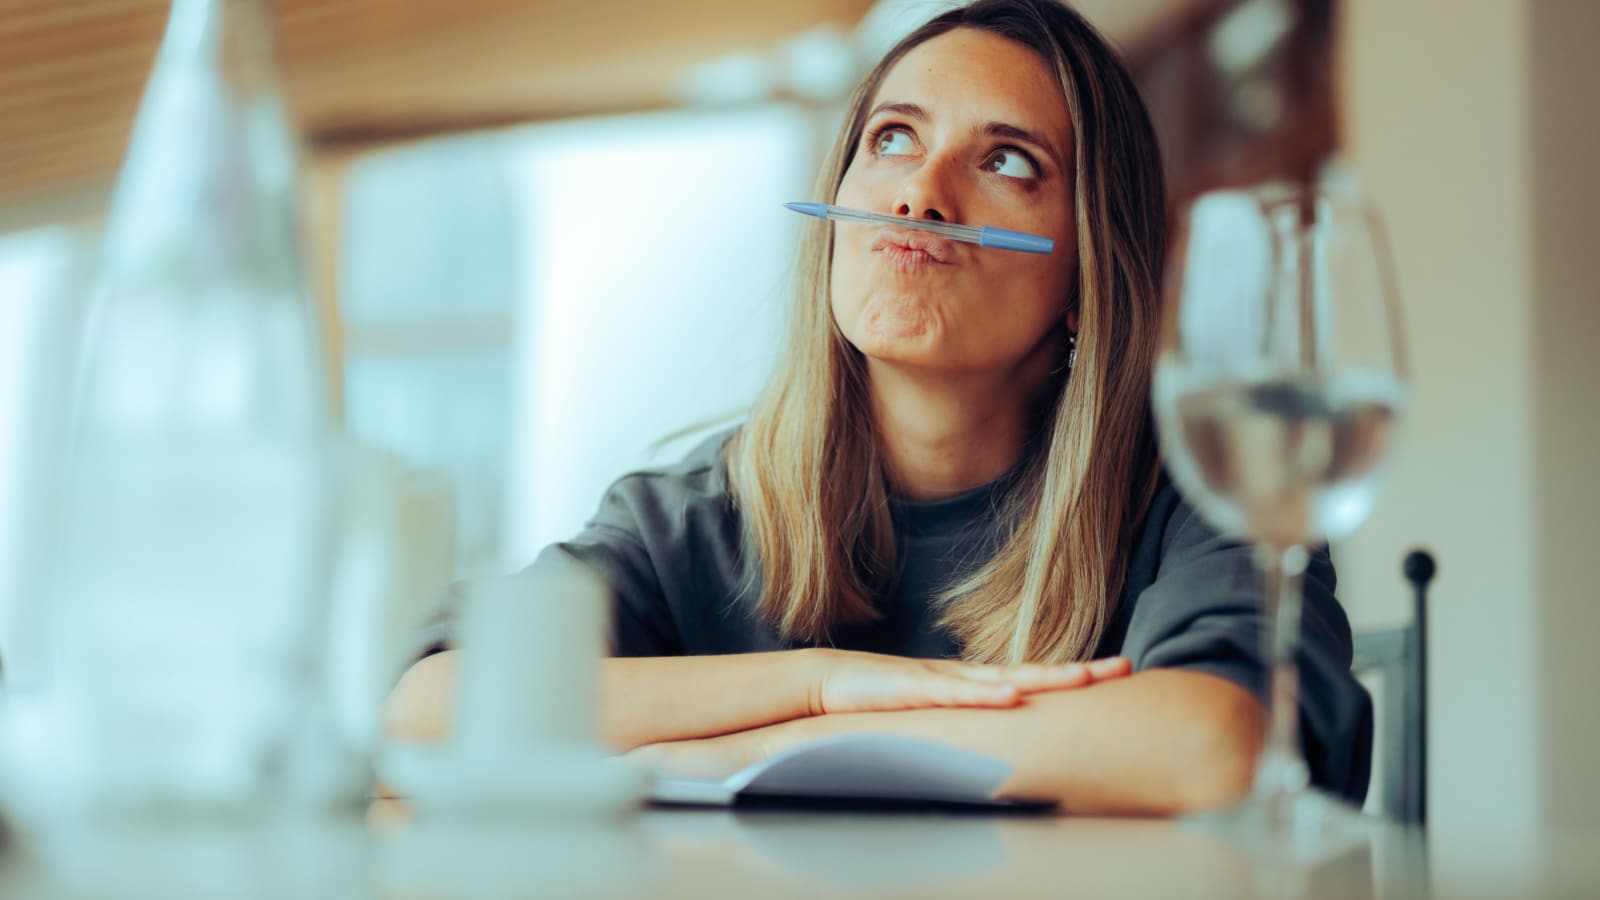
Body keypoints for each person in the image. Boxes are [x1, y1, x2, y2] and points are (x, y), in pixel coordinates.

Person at [385, 0, 1372, 815]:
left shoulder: (1193, 493)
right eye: (892, 138)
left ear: (1084, 274)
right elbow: (428, 703)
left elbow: (1210, 744)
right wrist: (818, 679)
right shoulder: (692, 512)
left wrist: (779, 745)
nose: (919, 197)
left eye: (1008, 161)